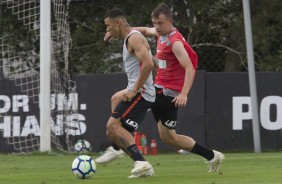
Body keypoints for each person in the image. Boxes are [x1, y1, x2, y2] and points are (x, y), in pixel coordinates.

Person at [98, 3, 225, 173]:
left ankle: (118, 147)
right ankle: (212, 155)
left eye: (160, 23)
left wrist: (184, 94)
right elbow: (143, 30)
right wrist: (117, 30)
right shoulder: (161, 33)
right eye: (155, 23)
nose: (156, 27)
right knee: (169, 138)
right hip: (161, 90)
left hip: (166, 92)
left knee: (120, 106)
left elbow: (189, 67)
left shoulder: (175, 42)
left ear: (170, 21)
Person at [101, 8, 156, 178]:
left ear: (118, 23)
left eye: (109, 26)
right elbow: (139, 30)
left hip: (141, 93)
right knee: (115, 102)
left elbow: (148, 64)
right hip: (138, 90)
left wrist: (133, 90)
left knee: (112, 126)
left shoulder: (134, 39)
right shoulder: (131, 35)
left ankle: (141, 163)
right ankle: (117, 147)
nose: (107, 30)